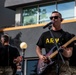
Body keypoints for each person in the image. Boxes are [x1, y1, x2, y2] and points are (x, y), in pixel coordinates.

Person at [36, 11, 75, 75]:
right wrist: (41, 56)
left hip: (63, 65)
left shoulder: (67, 35)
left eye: (56, 17)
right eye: (51, 18)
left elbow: (69, 53)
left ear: (61, 20)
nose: (53, 19)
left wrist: (63, 51)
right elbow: (38, 48)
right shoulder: (45, 35)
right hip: (48, 65)